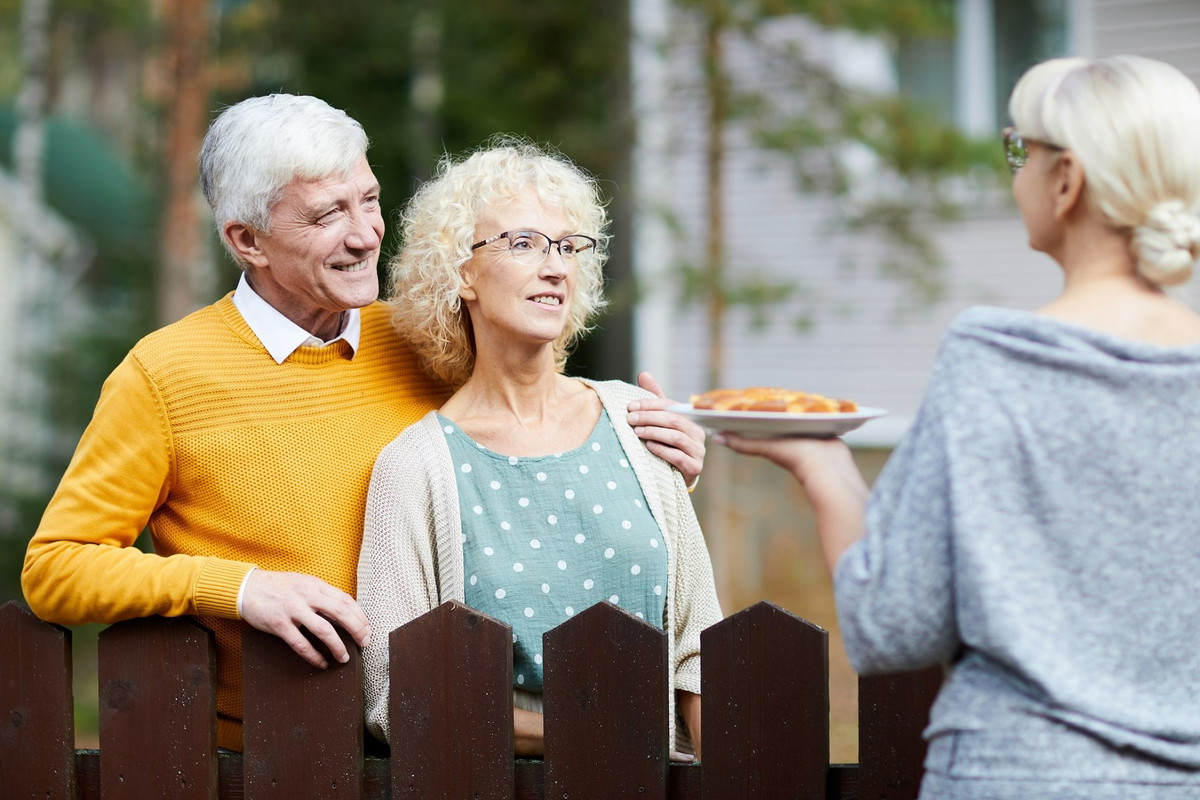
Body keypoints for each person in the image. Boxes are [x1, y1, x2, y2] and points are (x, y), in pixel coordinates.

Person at [21, 95, 707, 751]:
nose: (364, 234)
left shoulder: (424, 338)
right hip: (273, 751)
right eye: (326, 216)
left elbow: (529, 448)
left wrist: (648, 458)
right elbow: (56, 569)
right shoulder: (166, 374)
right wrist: (239, 587)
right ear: (247, 240)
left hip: (454, 739)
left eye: (369, 200)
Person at [719, 55, 1200, 798]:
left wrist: (825, 470)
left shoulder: (995, 358)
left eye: (1021, 152)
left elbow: (890, 626)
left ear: (1066, 180)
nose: (1016, 175)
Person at [356, 138, 722, 758]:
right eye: (523, 244)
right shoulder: (415, 466)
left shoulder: (634, 423)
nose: (555, 266)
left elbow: (698, 650)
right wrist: (584, 743)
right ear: (460, 272)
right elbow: (397, 696)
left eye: (568, 245)